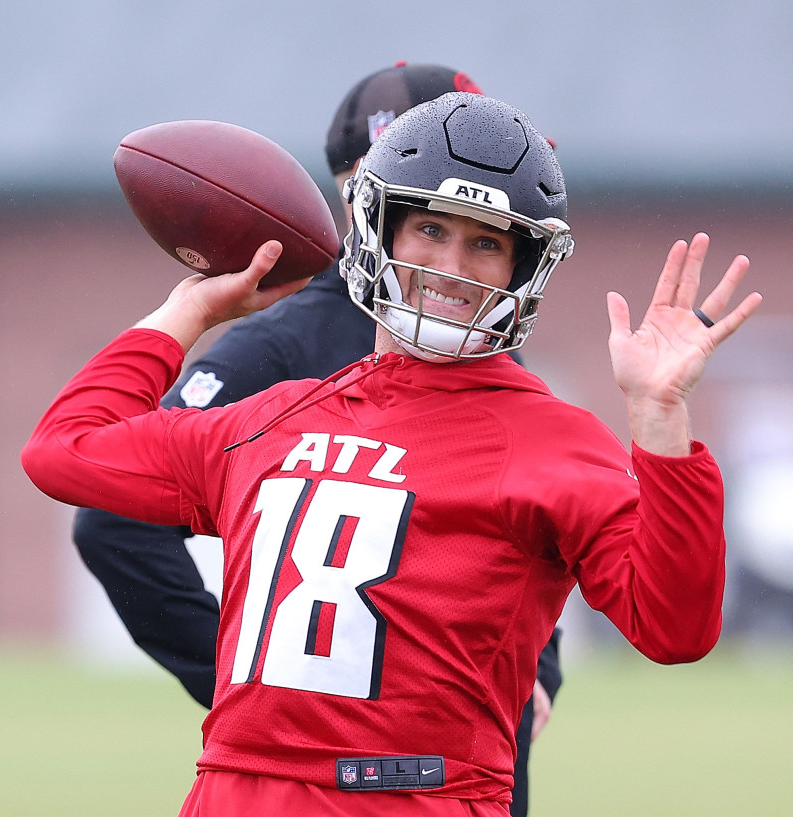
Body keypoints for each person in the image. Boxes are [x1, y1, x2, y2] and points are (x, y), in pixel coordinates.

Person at [23, 92, 761, 815]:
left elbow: (675, 629)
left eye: (487, 242)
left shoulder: (552, 441)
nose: (452, 264)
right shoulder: (280, 415)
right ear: (378, 229)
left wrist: (660, 419)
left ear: (520, 269)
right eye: (432, 229)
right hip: (233, 792)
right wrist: (192, 308)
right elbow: (63, 451)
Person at [72, 62, 561, 816]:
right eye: (428, 200)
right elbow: (111, 518)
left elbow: (534, 517)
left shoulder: (478, 330)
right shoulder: (277, 348)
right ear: (362, 186)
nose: (457, 248)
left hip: (467, 766)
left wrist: (543, 664)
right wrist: (263, 683)